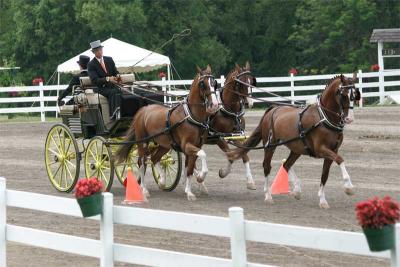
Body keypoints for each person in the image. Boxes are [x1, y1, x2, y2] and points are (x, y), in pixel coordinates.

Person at [87, 40, 121, 120]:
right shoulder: (91, 64)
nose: (99, 52)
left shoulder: (109, 59)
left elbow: (115, 72)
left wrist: (118, 76)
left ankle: (121, 111)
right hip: (100, 88)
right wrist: (108, 79)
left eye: (100, 49)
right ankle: (113, 114)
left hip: (111, 86)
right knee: (113, 92)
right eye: (97, 50)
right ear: (93, 52)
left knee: (120, 91)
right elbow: (94, 80)